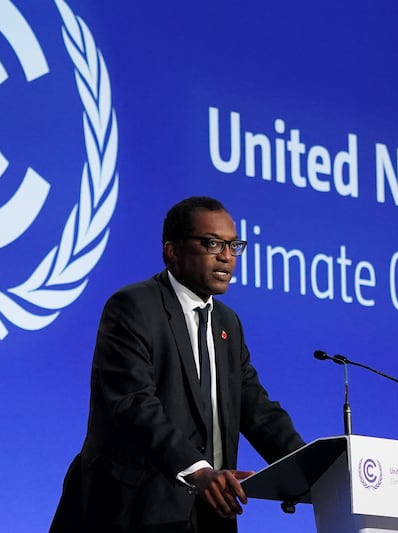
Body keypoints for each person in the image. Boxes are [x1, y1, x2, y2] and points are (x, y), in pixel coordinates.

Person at [50, 196, 305, 532]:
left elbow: (256, 408)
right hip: (132, 512)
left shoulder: (228, 324)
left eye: (233, 245)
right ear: (173, 251)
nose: (227, 256)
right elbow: (133, 404)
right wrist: (198, 471)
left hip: (210, 516)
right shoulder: (133, 307)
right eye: (212, 243)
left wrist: (308, 471)